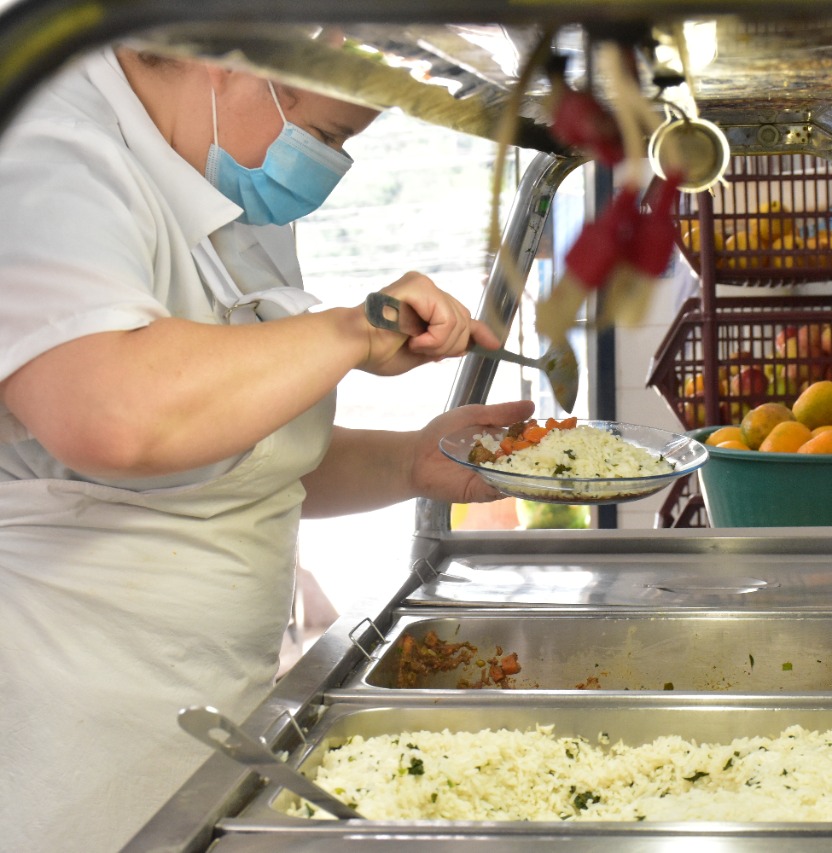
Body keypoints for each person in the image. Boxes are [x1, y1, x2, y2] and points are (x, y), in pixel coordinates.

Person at [0, 43, 533, 851]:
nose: (328, 165)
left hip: (205, 711)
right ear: (228, 55)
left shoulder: (223, 188)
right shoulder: (43, 153)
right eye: (324, 132)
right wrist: (357, 327)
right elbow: (115, 414)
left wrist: (407, 459)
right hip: (71, 735)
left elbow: (237, 452)